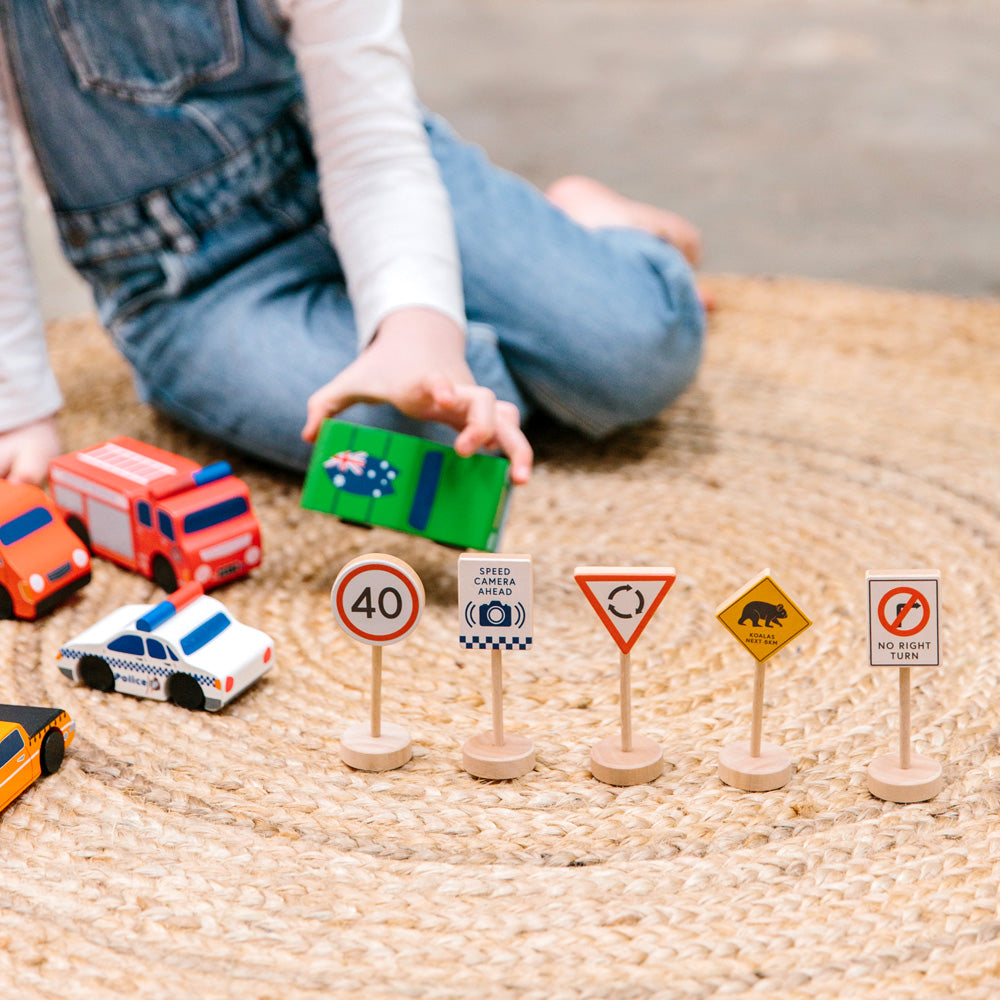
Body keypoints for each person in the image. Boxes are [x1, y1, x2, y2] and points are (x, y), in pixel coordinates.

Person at [0, 0, 706, 489]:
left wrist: (420, 333)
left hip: (357, 166)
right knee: (419, 443)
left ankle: (593, 227)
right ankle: (512, 316)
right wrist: (19, 407)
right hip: (192, 281)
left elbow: (373, 149)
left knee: (639, 349)